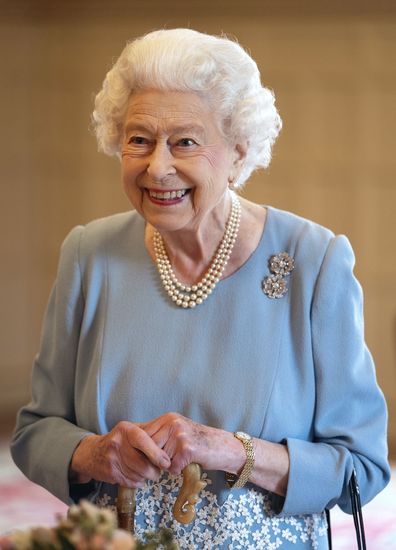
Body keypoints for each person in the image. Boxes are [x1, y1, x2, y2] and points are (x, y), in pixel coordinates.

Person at [11, 28, 390, 549]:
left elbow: (362, 467)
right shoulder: (88, 254)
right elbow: (35, 433)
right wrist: (93, 454)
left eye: (185, 141)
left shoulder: (312, 260)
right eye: (138, 139)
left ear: (238, 152)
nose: (157, 166)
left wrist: (233, 450)